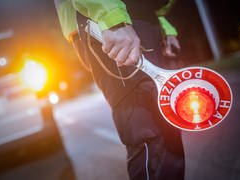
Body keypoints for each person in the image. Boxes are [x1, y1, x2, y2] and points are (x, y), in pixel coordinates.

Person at [54, 0, 184, 179]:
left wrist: (164, 27)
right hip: (105, 16)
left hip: (142, 18)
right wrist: (111, 18)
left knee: (169, 130)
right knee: (149, 136)